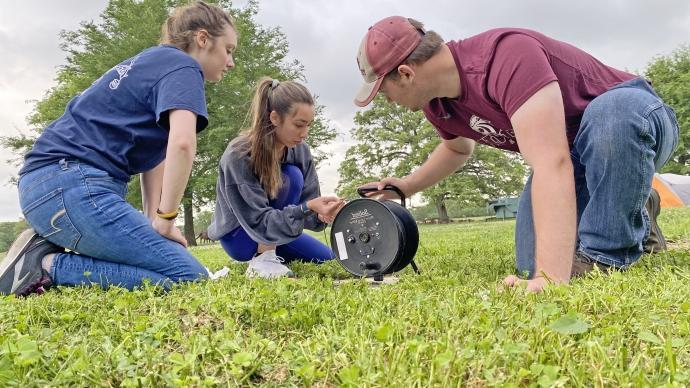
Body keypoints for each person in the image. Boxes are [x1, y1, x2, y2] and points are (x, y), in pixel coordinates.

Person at [353, 16, 679, 292]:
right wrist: (406, 187)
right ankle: (633, 199)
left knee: (610, 113)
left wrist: (550, 279)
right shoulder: (438, 107)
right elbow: (456, 148)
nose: (387, 100)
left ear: (407, 74)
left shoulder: (504, 56)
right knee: (530, 258)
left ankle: (607, 251)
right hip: (577, 154)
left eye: (383, 90)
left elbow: (552, 162)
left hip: (635, 119)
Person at [0, 1, 237, 296]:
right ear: (202, 39)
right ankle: (44, 265)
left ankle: (42, 252)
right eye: (228, 50)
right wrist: (168, 219)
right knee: (189, 277)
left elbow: (156, 157)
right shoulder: (184, 65)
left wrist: (156, 219)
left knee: (174, 271)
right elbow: (183, 143)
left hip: (48, 187)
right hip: (72, 184)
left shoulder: (151, 62)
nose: (231, 62)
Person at [207, 78, 343, 278]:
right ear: (274, 118)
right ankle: (263, 259)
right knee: (291, 177)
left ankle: (272, 254)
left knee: (329, 258)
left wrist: (322, 213)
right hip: (241, 236)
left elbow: (309, 212)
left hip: (278, 231)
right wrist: (307, 207)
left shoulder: (301, 151)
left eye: (308, 125)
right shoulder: (238, 155)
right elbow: (258, 221)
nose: (305, 133)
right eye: (299, 125)